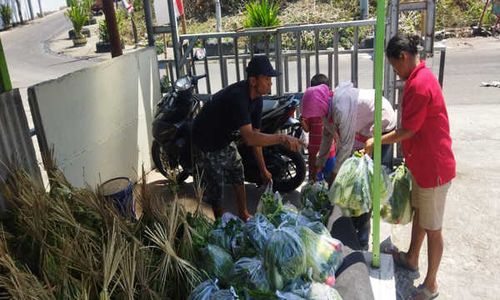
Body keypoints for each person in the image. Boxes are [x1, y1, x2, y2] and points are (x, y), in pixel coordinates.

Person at [364, 34, 456, 300]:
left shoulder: (419, 84)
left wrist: (376, 140)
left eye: (394, 66)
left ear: (403, 57)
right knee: (420, 215)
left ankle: (431, 284)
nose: (396, 72)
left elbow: (407, 130)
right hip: (422, 165)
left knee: (433, 227)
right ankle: (412, 258)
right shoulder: (419, 78)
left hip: (434, 168)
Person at [192, 55, 302, 221]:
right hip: (206, 141)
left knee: (238, 172)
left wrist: (263, 170)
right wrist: (281, 138)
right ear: (253, 81)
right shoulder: (238, 97)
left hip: (224, 138)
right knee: (216, 188)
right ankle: (221, 223)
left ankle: (243, 213)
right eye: (266, 78)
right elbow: (250, 138)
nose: (270, 83)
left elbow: (255, 138)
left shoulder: (257, 100)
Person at [315, 81, 397, 249]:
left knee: (365, 182)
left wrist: (334, 176)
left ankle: (364, 229)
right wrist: (319, 161)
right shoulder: (326, 110)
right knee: (355, 182)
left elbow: (345, 146)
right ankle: (355, 221)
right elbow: (326, 137)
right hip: (363, 131)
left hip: (381, 124)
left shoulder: (340, 107)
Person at [300, 74, 336, 182]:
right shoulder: (310, 111)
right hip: (314, 152)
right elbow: (307, 129)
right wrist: (303, 122)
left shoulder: (331, 108)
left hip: (330, 152)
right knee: (314, 180)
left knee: (331, 179)